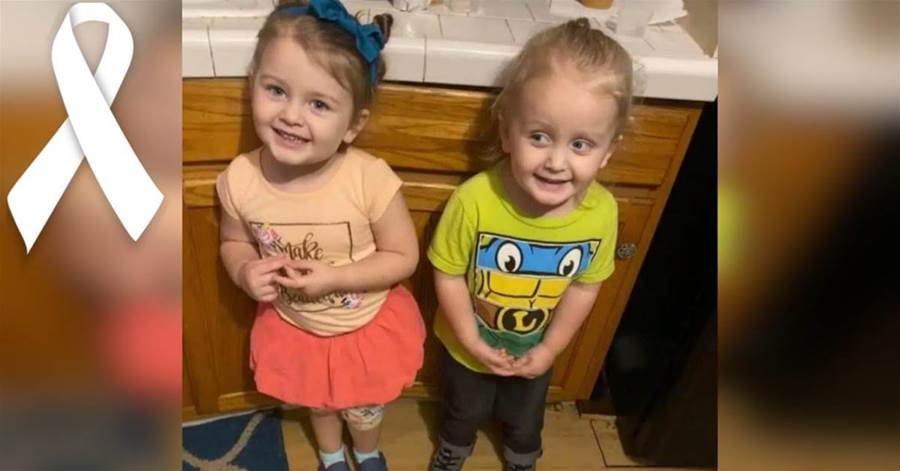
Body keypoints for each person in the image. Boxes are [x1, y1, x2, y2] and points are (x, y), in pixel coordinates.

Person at [215, 2, 424, 470]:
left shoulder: (369, 179)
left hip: (363, 329)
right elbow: (234, 241)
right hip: (296, 329)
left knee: (364, 408)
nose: (291, 115)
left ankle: (366, 451)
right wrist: (244, 270)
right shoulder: (241, 178)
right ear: (253, 84)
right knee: (319, 403)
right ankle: (331, 456)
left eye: (318, 104)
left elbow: (402, 255)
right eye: (276, 90)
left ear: (353, 125)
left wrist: (336, 278)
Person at [426, 19, 633, 471]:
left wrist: (550, 348)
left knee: (525, 417)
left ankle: (522, 456)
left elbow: (584, 286)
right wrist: (469, 339)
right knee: (462, 409)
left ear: (608, 151)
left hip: (536, 347)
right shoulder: (474, 200)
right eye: (539, 136)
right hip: (465, 346)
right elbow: (448, 273)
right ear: (506, 132)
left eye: (581, 144)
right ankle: (454, 447)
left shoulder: (601, 213)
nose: (556, 162)